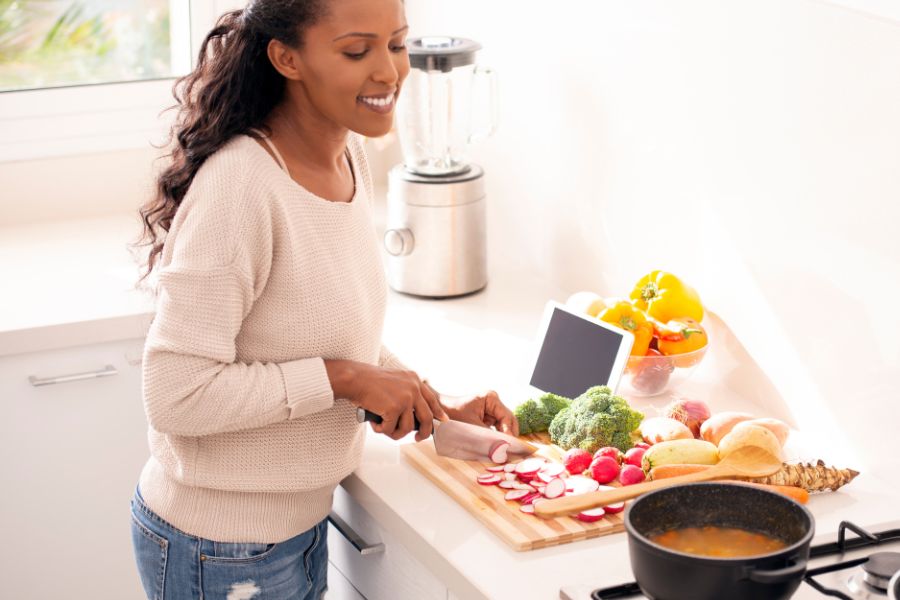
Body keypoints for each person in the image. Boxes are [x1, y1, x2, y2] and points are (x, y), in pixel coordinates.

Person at [130, 0, 518, 598]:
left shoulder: (348, 156)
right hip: (220, 547)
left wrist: (428, 402)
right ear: (287, 58)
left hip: (292, 529)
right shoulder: (242, 187)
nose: (389, 72)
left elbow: (325, 329)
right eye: (356, 51)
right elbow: (175, 395)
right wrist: (345, 380)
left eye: (397, 44)